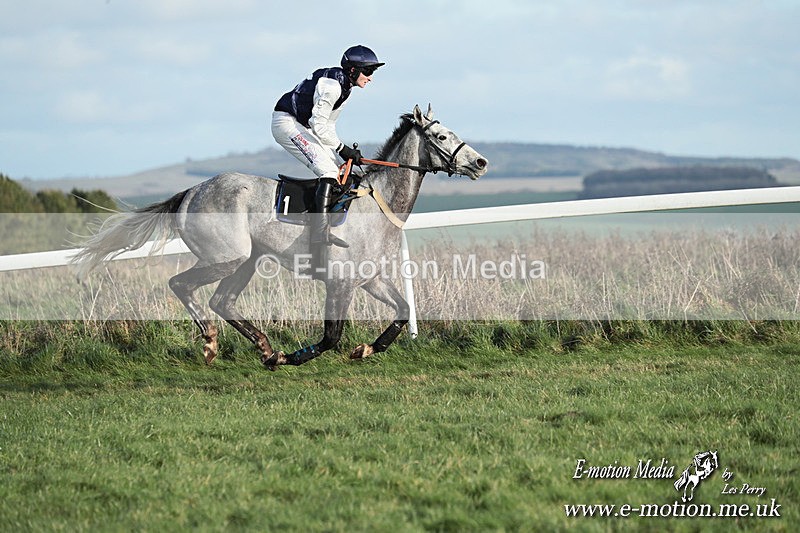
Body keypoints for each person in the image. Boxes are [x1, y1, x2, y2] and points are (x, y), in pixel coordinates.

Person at [272, 45, 385, 277]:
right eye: (368, 72)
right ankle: (318, 238)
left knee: (340, 169)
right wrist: (342, 149)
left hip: (304, 126)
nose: (371, 78)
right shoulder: (333, 86)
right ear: (353, 70)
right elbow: (318, 124)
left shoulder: (345, 87)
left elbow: (328, 127)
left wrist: (343, 154)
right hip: (287, 124)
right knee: (328, 172)